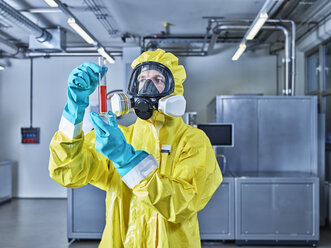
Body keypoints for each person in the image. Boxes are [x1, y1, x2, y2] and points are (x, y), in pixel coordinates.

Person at [49, 49, 223, 248]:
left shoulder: (193, 141)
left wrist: (126, 158)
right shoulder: (120, 138)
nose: (147, 86)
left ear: (174, 89)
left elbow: (180, 204)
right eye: (142, 79)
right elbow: (68, 173)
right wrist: (75, 109)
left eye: (158, 79)